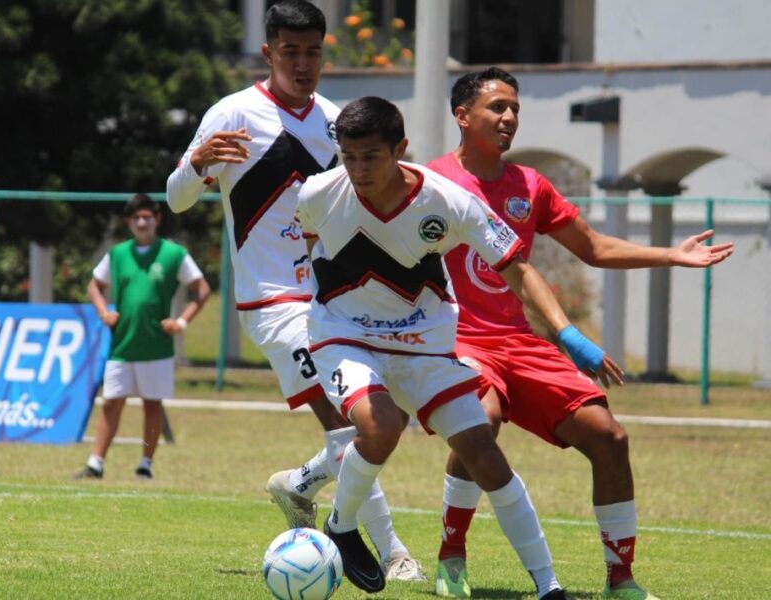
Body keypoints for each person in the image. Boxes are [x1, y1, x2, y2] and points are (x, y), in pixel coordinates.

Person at [426, 67, 735, 600]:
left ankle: (621, 580)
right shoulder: (430, 183)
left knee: (610, 438)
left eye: (515, 109)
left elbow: (592, 246)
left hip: (520, 342)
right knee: (483, 420)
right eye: (497, 107)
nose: (509, 118)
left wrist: (671, 254)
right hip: (459, 340)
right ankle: (452, 555)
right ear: (462, 116)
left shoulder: (529, 185)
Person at [296, 95, 601, 597]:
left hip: (425, 344)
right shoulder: (318, 194)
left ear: (401, 150)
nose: (357, 169)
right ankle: (342, 526)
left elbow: (516, 269)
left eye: (370, 156)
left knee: (485, 453)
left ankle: (549, 586)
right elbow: (310, 249)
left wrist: (564, 332)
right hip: (343, 335)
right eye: (348, 156)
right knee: (382, 424)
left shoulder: (449, 202)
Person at [165, 0, 426, 582]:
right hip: (272, 301)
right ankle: (390, 551)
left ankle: (300, 484)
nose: (303, 63)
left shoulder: (338, 122)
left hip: (337, 300)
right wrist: (195, 165)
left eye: (313, 52)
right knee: (350, 422)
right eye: (291, 52)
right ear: (268, 53)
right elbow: (176, 199)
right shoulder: (232, 115)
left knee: (382, 416)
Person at [73, 194, 210, 481]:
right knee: (111, 402)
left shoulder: (174, 254)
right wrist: (103, 312)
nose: (142, 222)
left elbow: (202, 289)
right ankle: (95, 463)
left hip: (156, 345)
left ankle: (145, 464)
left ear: (157, 219)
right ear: (128, 222)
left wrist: (181, 322)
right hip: (122, 343)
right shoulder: (117, 254)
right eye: (136, 218)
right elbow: (94, 286)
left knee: (152, 403)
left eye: (147, 216)